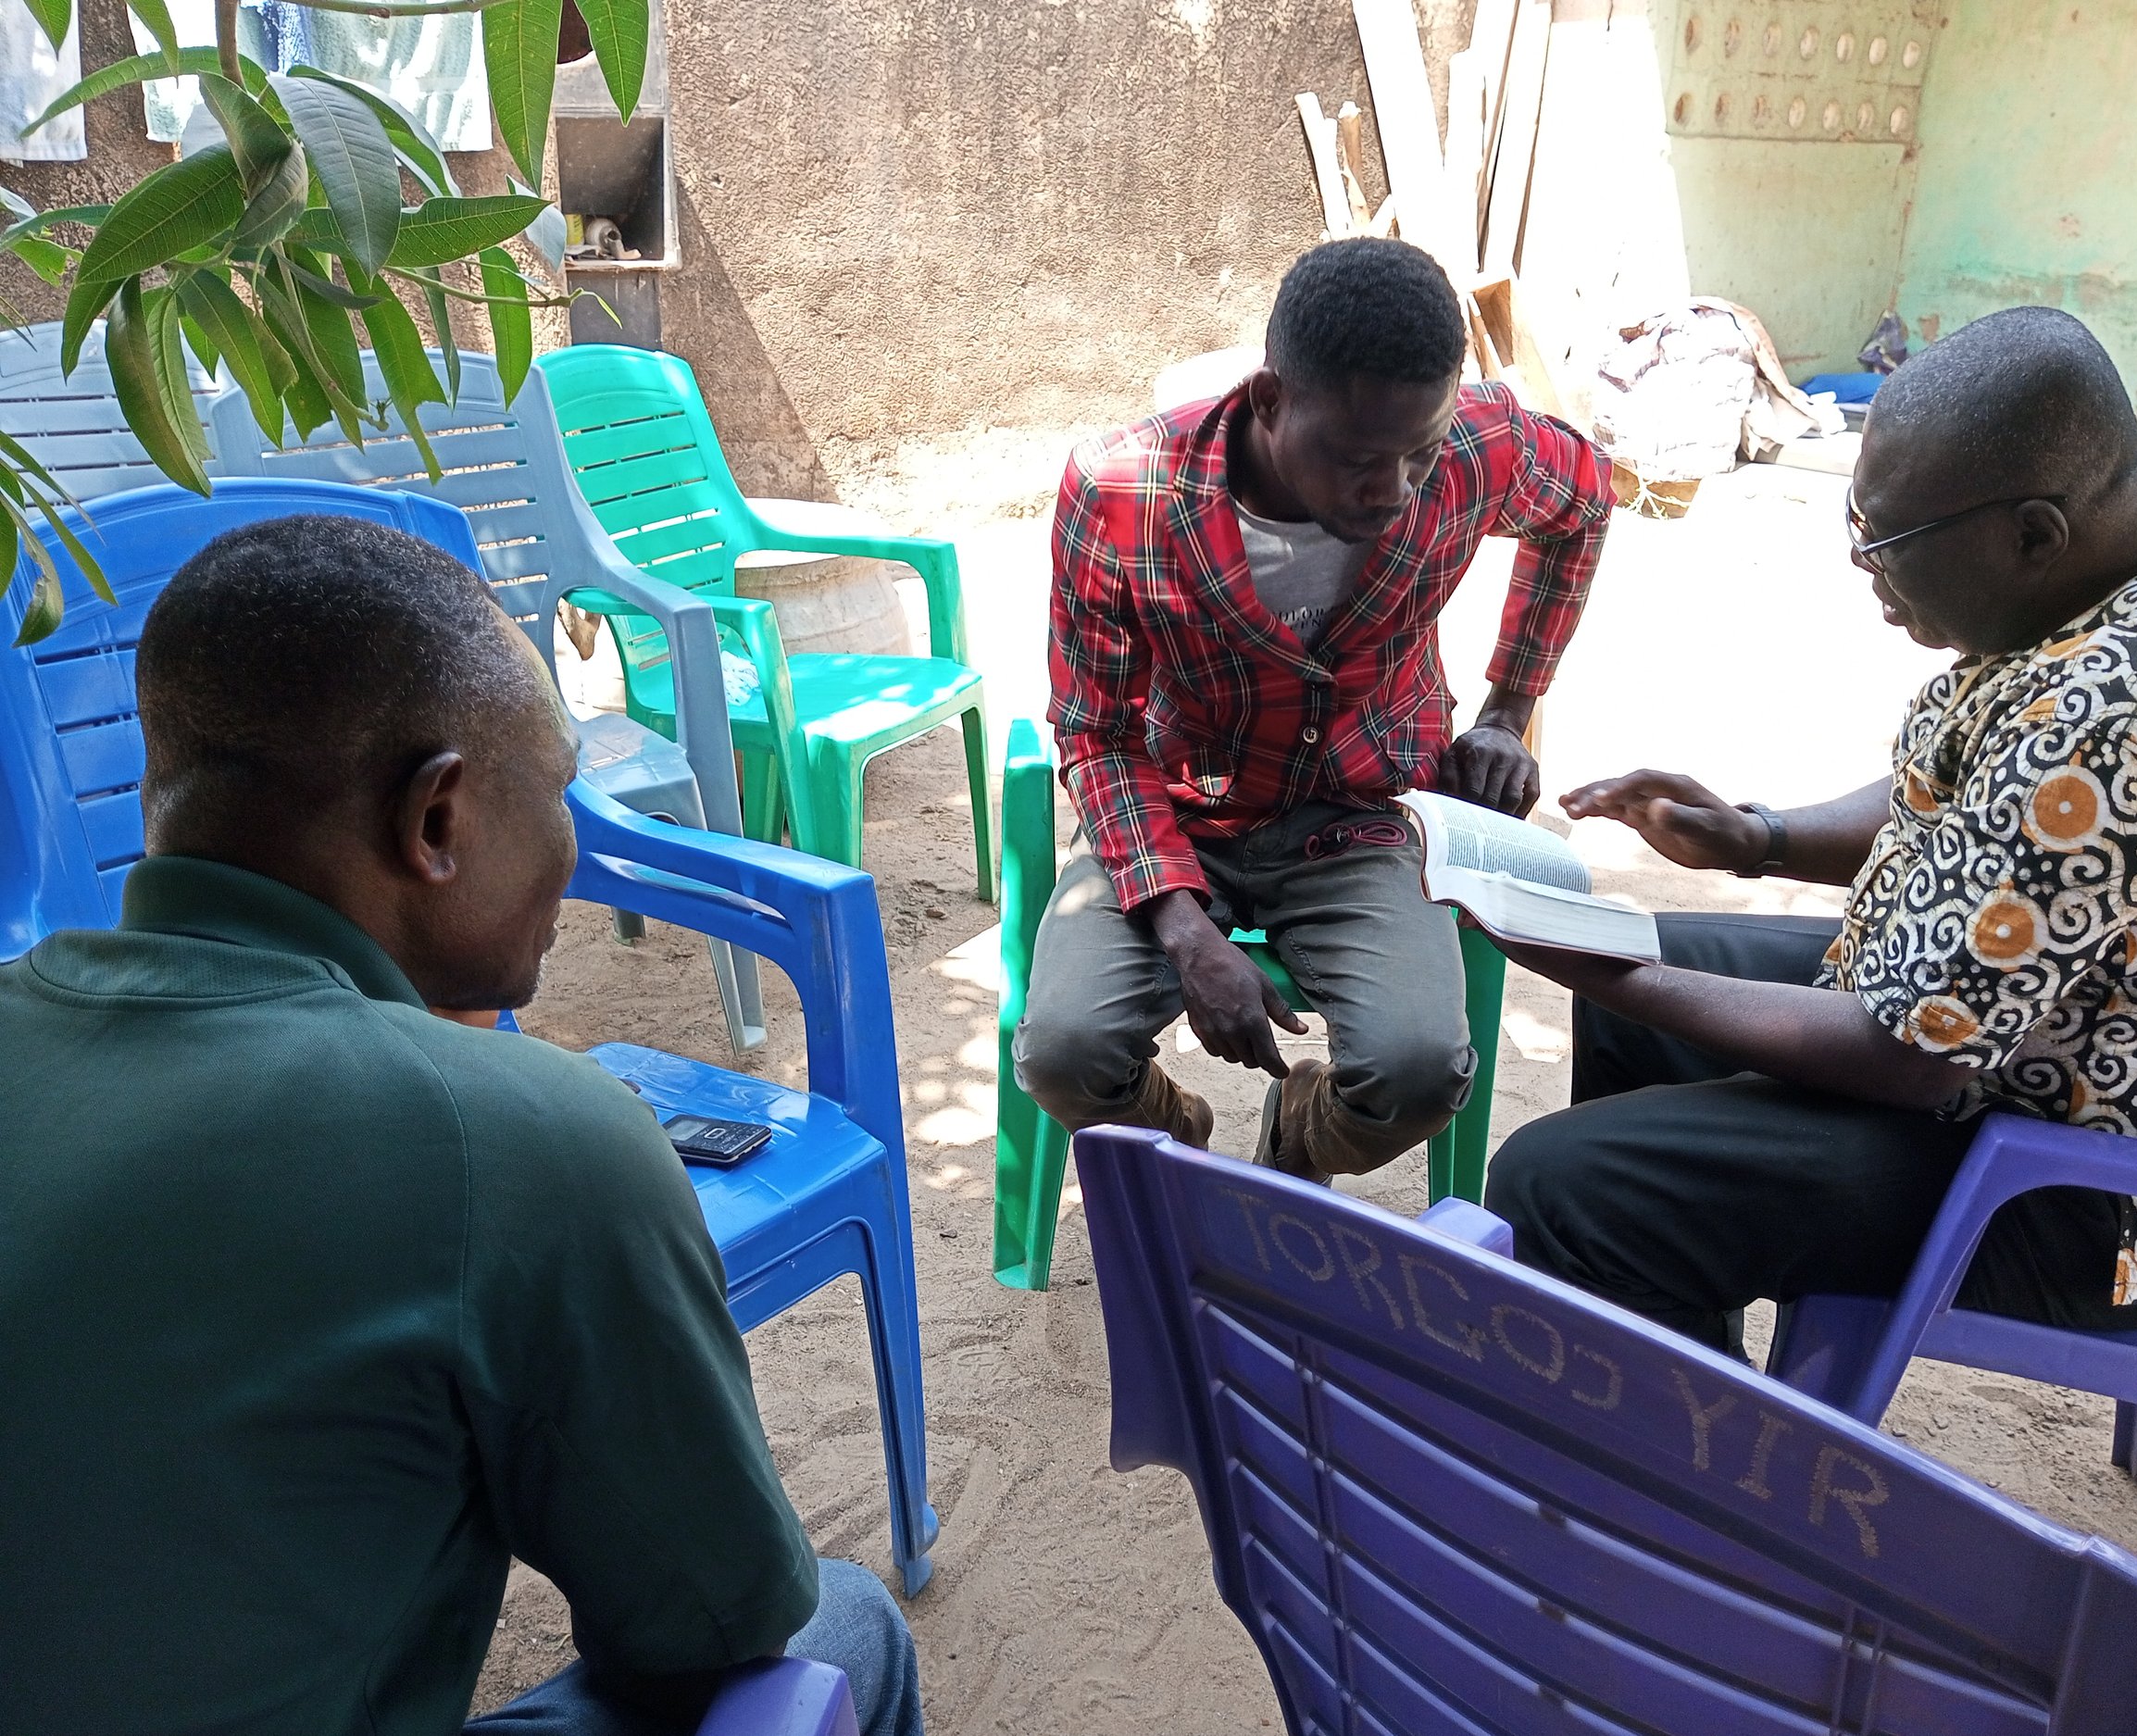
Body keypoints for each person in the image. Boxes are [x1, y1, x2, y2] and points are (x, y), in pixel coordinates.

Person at [0, 517, 921, 1736]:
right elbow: (713, 1626)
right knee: (844, 1627)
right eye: (554, 786)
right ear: (436, 820)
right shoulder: (520, 1138)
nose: (573, 839)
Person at [1481, 306, 2137, 1355]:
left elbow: (1910, 1056)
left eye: (1889, 540)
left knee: (1561, 1182)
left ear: (2032, 533)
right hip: (2021, 1051)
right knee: (1636, 998)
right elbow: (1979, 791)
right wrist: (1761, 838)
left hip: (2086, 1195)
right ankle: (1680, 1342)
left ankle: (1704, 1487)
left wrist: (1589, 963)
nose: (1864, 564)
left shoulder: (2123, 719)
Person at [1014, 237, 1614, 1180]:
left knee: (1417, 1072)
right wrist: (1181, 924)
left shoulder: (1470, 448)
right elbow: (1097, 731)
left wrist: (1509, 705)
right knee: (1062, 1056)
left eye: (1417, 456)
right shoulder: (1123, 490)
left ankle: (1294, 1140)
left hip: (1365, 821)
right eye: (1358, 459)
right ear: (1268, 401)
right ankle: (1181, 1152)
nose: (1394, 492)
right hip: (1178, 815)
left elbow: (1582, 501)